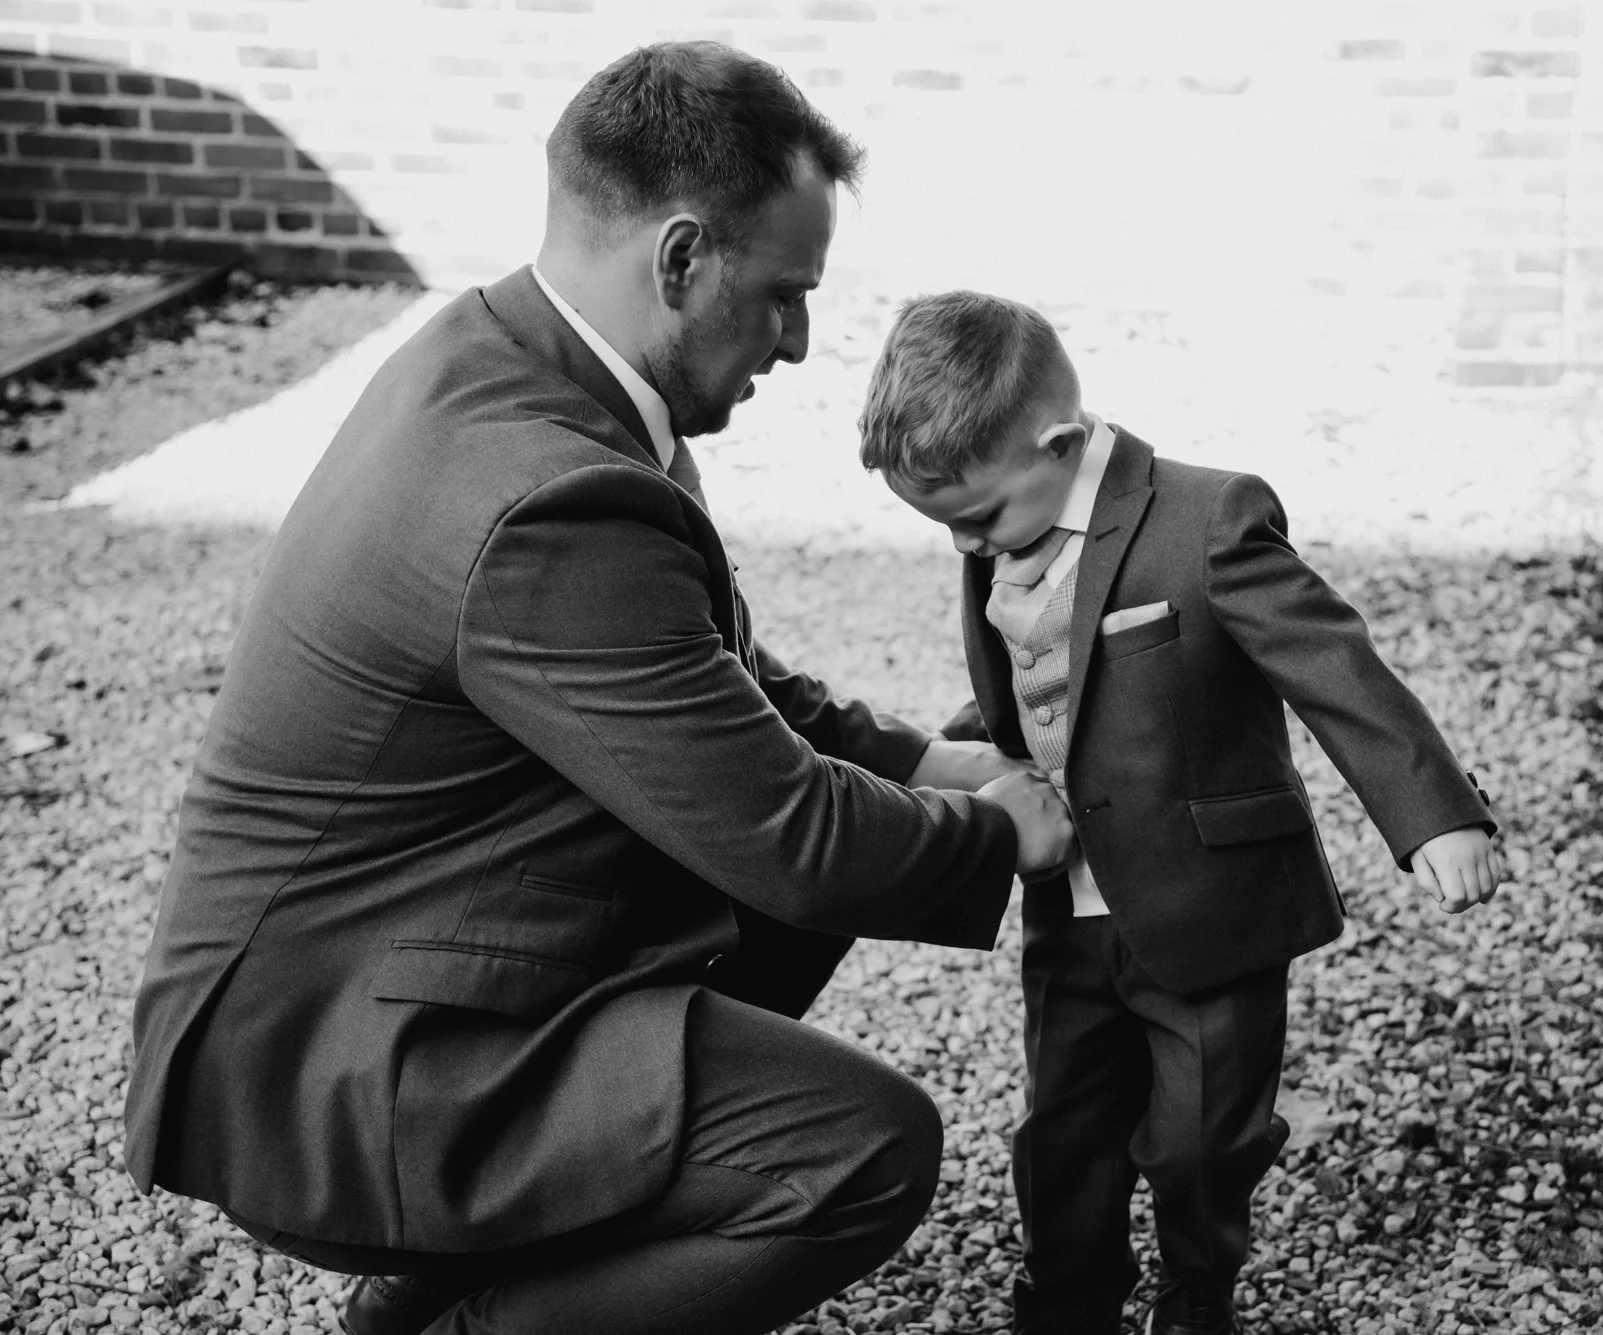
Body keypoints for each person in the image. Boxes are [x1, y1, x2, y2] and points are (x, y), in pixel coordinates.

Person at [123, 45, 1075, 1335]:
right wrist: (997, 831)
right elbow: (789, 836)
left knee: (793, 866)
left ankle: (422, 1292)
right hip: (333, 1064)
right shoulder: (545, 496)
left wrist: (920, 764)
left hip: (384, 966)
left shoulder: (501, 353)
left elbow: (707, 684)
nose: (799, 343)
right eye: (784, 296)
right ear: (680, 258)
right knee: (858, 1150)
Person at [858, 291, 1505, 1335]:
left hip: (1209, 904)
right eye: (947, 528)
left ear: (1057, 445)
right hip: (1067, 900)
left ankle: (1197, 1296)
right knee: (1063, 1129)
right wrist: (946, 768)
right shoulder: (1002, 521)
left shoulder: (1205, 518)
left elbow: (1327, 658)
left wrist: (1432, 813)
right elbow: (1043, 690)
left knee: (1202, 1139)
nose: (967, 543)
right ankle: (1066, 1303)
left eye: (976, 518)